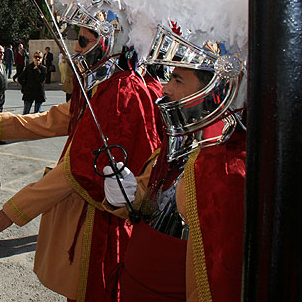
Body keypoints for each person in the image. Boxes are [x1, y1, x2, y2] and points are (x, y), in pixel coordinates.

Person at [0, 6, 160, 302]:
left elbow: (75, 172)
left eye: (82, 40)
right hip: (88, 224)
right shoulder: (104, 85)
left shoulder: (120, 94)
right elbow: (55, 119)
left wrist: (10, 213)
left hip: (99, 230)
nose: (75, 49)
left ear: (109, 42)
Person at [103, 26, 246, 302]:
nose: (165, 87)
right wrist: (129, 194)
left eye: (178, 80)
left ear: (213, 88)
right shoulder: (177, 141)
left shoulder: (229, 165)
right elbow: (154, 208)